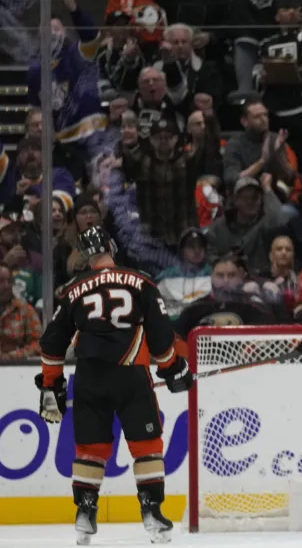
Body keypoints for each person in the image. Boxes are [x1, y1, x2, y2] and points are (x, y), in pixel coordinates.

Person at [36, 226, 192, 545]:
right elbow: (161, 336)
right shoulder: (142, 282)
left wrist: (51, 384)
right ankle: (151, 511)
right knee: (145, 443)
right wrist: (172, 368)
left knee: (91, 449)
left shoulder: (73, 289)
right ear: (111, 246)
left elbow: (51, 343)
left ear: (83, 254)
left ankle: (84, 513)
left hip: (90, 377)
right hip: (131, 373)